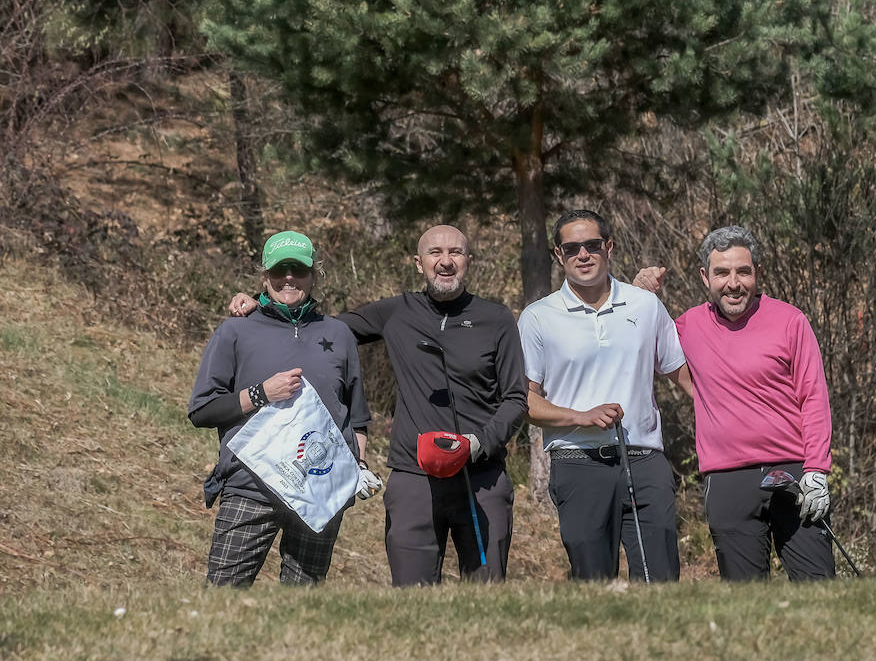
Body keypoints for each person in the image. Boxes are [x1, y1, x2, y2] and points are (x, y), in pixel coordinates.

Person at [231, 225, 526, 586]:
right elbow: (320, 329)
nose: (445, 262)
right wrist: (262, 305)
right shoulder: (397, 311)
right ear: (419, 263)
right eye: (435, 253)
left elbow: (516, 398)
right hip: (413, 477)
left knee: (487, 594)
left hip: (481, 477)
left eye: (456, 253)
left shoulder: (496, 319)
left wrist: (478, 444)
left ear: (469, 261)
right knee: (409, 600)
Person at [638, 226, 836, 581]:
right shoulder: (687, 327)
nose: (733, 283)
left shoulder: (791, 321)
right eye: (722, 272)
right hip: (727, 478)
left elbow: (814, 398)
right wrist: (640, 294)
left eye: (743, 271)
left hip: (794, 473)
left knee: (819, 588)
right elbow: (638, 339)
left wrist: (817, 470)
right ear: (705, 277)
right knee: (744, 600)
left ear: (757, 273)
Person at [190, 230, 377, 586]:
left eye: (298, 269)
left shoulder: (338, 334)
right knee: (222, 601)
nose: (288, 277)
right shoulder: (235, 331)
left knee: (301, 608)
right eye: (279, 270)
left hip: (319, 491)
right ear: (265, 276)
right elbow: (202, 410)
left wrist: (360, 466)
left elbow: (356, 415)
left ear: (313, 275)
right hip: (250, 486)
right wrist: (261, 393)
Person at [519, 209, 693, 581]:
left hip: (645, 460)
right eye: (572, 248)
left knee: (660, 579)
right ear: (558, 255)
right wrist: (579, 416)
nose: (583, 255)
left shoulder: (645, 305)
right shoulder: (538, 317)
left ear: (609, 247)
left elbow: (685, 377)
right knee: (593, 582)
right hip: (578, 463)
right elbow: (525, 402)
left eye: (592, 245)